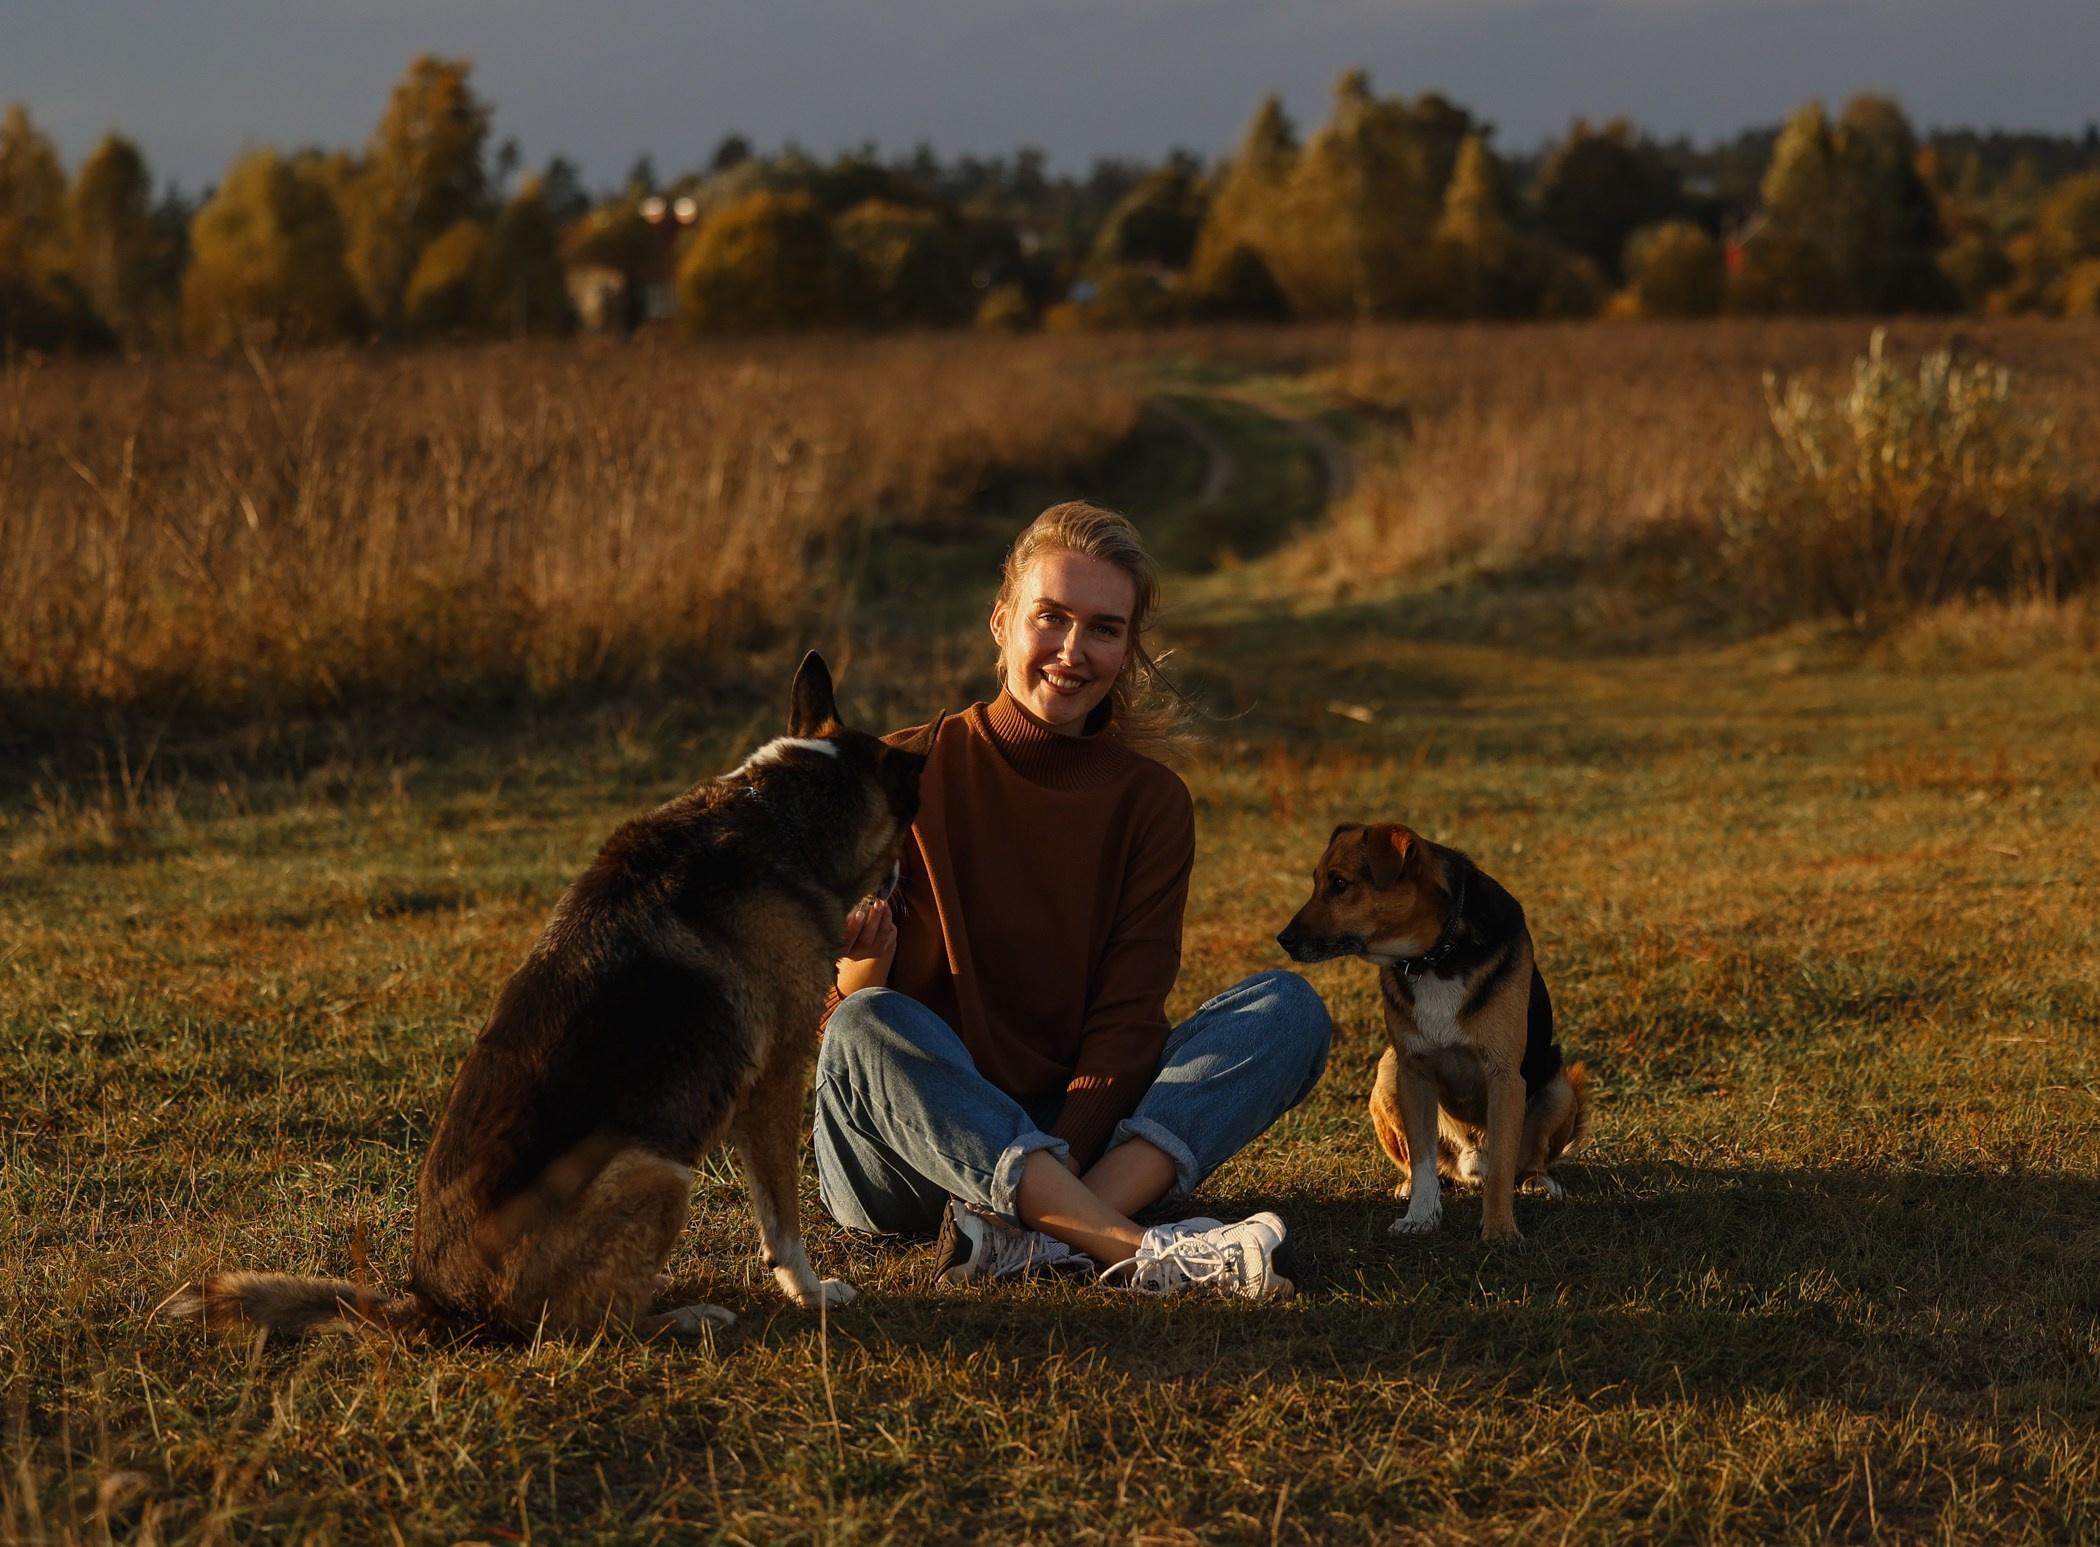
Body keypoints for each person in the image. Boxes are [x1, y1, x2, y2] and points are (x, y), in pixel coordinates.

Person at [812, 501, 1333, 1298]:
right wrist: (860, 972)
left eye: (1103, 628)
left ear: (1128, 649)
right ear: (1001, 621)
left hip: (1074, 1135)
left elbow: (1127, 1023)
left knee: (1288, 1010)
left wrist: (1054, 1159)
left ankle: (1027, 1237)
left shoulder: (1151, 803)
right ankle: (1123, 1242)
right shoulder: (891, 772)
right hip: (910, 1164)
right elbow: (834, 1045)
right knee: (864, 1022)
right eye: (1049, 617)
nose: (1071, 651)